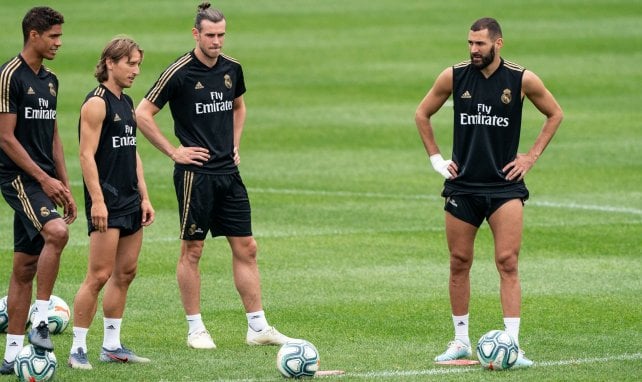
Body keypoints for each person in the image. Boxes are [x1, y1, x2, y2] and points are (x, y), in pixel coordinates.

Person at [135, 2, 292, 350]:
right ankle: (195, 329)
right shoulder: (179, 71)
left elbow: (238, 105)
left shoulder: (232, 68)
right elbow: (143, 114)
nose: (217, 42)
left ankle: (258, 327)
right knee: (193, 250)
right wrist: (174, 151)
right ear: (196, 34)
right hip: (195, 177)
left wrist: (235, 143)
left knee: (247, 248)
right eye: (210, 35)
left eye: (221, 35)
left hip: (228, 173)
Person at [415, 17, 563, 368]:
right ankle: (460, 341)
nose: (473, 50)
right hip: (463, 186)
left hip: (504, 187)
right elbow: (422, 114)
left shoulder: (521, 78)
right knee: (458, 262)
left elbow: (555, 114)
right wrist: (436, 159)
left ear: (498, 44)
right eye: (469, 43)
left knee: (507, 262)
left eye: (479, 44)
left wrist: (530, 157)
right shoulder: (453, 75)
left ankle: (512, 343)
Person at [67, 37, 154, 370]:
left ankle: (112, 345)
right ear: (110, 63)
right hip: (108, 201)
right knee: (98, 275)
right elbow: (86, 154)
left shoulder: (127, 102)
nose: (135, 70)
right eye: (130, 63)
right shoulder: (96, 104)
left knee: (126, 273)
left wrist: (144, 196)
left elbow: (132, 153)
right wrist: (98, 202)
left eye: (138, 64)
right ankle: (77, 348)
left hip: (130, 199)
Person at [0, 6, 77, 374]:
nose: (59, 43)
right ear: (34, 34)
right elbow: (5, 138)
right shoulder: (9, 76)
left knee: (24, 266)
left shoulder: (50, 79)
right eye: (54, 37)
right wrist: (44, 180)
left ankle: (11, 356)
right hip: (17, 177)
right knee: (57, 233)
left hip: (44, 178)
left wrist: (64, 183)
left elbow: (54, 135)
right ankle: (41, 320)